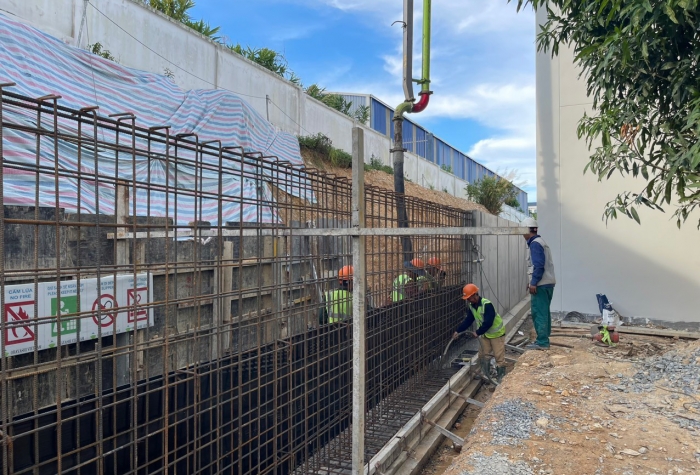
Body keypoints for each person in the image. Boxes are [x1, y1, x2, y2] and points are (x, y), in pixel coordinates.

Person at [452, 284, 507, 383]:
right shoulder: (472, 306)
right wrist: (458, 331)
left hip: (497, 334)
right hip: (485, 335)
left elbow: (488, 322)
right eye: (467, 298)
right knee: (483, 355)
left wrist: (478, 332)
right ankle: (485, 374)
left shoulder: (487, 305)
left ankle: (501, 377)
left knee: (499, 357)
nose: (468, 300)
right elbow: (468, 320)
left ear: (475, 295)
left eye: (469, 298)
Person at [521, 217, 556, 350]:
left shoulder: (535, 244)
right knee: (544, 311)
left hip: (541, 284)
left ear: (526, 230)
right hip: (547, 283)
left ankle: (542, 342)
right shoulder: (541, 242)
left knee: (539, 312)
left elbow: (539, 265)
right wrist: (531, 281)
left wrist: (534, 283)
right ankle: (544, 337)